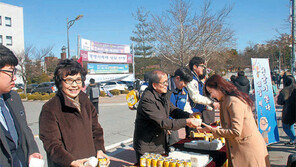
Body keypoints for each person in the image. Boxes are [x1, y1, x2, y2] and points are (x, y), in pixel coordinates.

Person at [39, 59, 109, 167]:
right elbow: (52, 144)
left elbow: (96, 130)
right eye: (69, 80)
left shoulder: (85, 101)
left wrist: (99, 150)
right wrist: (70, 162)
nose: (74, 85)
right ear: (60, 82)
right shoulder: (50, 108)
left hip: (90, 162)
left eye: (78, 80)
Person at [199, 74, 270, 167]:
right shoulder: (225, 100)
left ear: (219, 88)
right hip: (239, 150)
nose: (212, 96)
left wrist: (212, 130)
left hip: (248, 151)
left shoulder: (234, 102)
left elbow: (236, 131)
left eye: (211, 92)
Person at [133, 70, 201, 164]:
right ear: (154, 85)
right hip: (147, 145)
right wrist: (187, 121)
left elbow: (173, 110)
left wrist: (189, 115)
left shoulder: (162, 94)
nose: (167, 84)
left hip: (158, 142)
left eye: (167, 81)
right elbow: (163, 123)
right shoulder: (147, 100)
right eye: (164, 82)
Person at [0, 45, 43, 166]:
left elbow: (24, 128)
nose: (14, 77)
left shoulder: (13, 98)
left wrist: (32, 150)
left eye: (15, 71)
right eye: (10, 72)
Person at [186, 56, 219, 124]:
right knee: (193, 133)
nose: (203, 68)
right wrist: (211, 102)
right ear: (195, 67)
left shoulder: (197, 80)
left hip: (198, 112)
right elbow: (195, 97)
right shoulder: (192, 80)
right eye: (202, 66)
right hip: (192, 113)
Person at [167, 67, 193, 145]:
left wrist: (190, 115)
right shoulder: (165, 88)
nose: (185, 86)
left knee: (175, 143)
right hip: (164, 123)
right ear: (177, 78)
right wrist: (165, 125)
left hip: (174, 123)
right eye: (184, 83)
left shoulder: (184, 91)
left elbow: (185, 106)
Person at [277, 75, 296, 145]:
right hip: (294, 111)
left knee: (285, 126)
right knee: (291, 125)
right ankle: (292, 140)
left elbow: (280, 102)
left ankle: (294, 139)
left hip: (288, 111)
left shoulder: (284, 91)